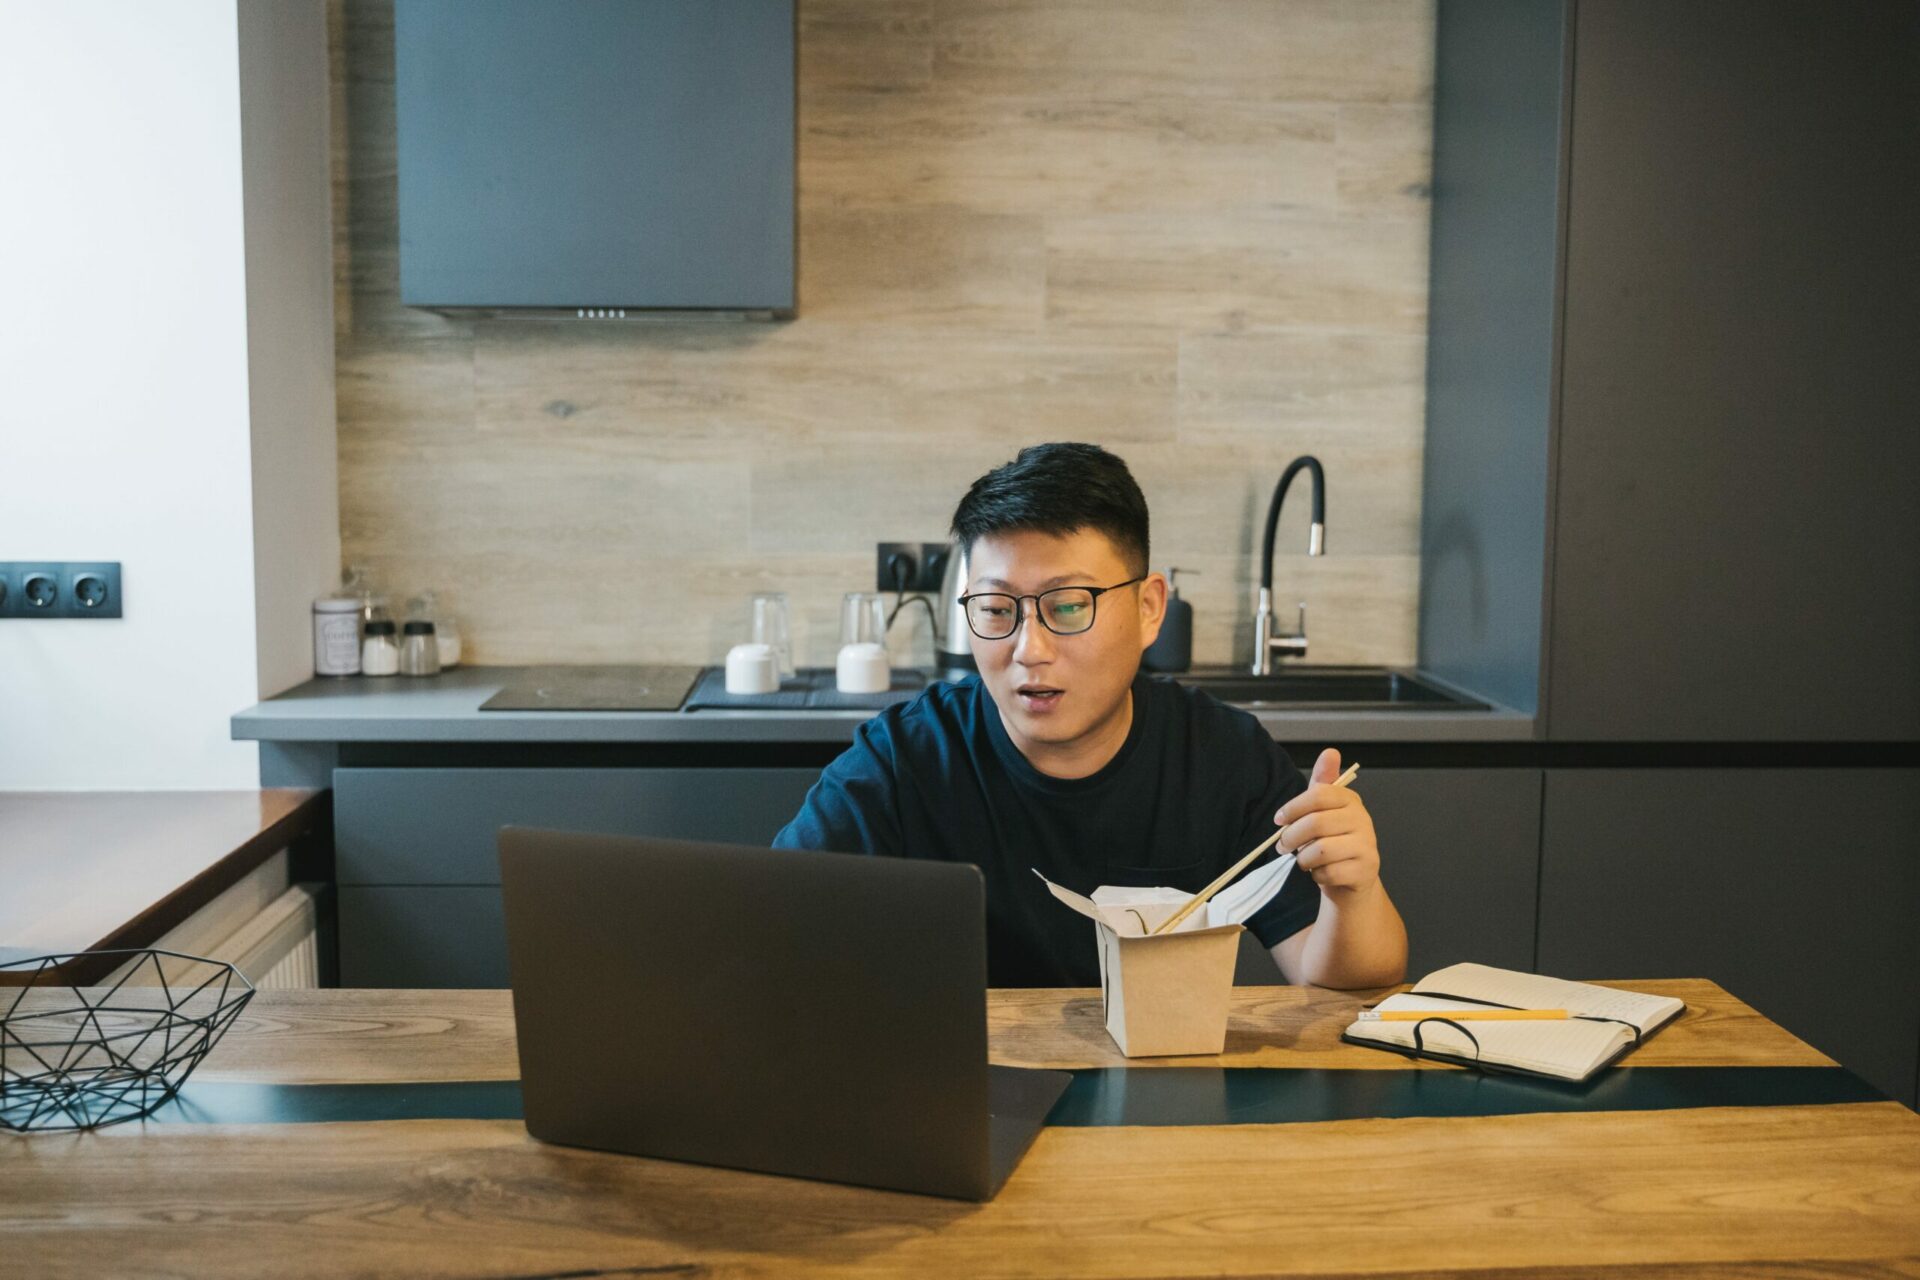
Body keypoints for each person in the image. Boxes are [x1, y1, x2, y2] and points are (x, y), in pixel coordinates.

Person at [773, 442, 1407, 988]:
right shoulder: (904, 761)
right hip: (971, 1093)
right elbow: (771, 933)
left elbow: (1338, 980)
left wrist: (1352, 893)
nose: (1030, 650)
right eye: (996, 610)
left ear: (1150, 608)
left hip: (1164, 1101)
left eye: (1070, 607)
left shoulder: (1219, 756)